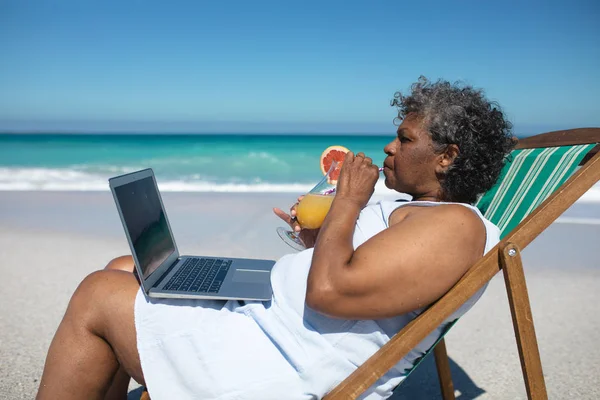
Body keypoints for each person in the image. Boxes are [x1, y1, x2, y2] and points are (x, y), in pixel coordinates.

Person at [36, 77, 515, 400]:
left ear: (447, 157)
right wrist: (317, 237)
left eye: (406, 139)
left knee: (97, 294)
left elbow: (328, 292)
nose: (390, 146)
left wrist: (348, 201)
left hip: (279, 366)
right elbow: (366, 276)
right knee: (125, 266)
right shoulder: (420, 212)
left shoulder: (456, 227)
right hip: (273, 328)